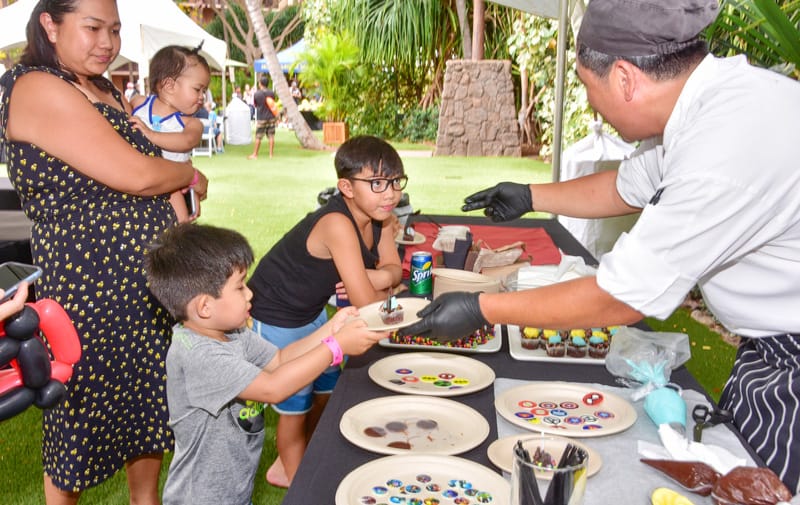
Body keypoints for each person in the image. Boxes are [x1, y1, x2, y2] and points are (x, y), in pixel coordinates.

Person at [401, 0, 800, 494]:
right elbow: (624, 188)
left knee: (767, 491)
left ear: (626, 78)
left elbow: (618, 297)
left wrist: (484, 308)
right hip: (769, 350)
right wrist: (530, 197)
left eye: (589, 89)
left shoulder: (723, 150)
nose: (591, 106)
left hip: (792, 360)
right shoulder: (710, 105)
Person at [0, 1, 209, 503]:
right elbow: (138, 173)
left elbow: (144, 159)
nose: (107, 43)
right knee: (77, 421)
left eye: (114, 30)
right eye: (92, 28)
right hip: (91, 290)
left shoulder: (101, 86)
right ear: (50, 23)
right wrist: (188, 174)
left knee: (146, 410)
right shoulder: (36, 85)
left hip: (143, 285)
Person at [143, 223, 385, 505]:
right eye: (239, 287)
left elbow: (280, 359)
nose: (250, 294)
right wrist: (336, 347)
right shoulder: (199, 355)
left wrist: (331, 329)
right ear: (205, 307)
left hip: (234, 491)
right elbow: (273, 388)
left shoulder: (232, 334)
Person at [247, 135, 406, 486]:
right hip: (277, 315)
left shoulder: (379, 218)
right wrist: (390, 292)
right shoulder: (337, 224)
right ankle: (293, 477)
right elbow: (368, 303)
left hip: (314, 313)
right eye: (377, 183)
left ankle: (301, 458)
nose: (390, 193)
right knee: (294, 402)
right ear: (346, 187)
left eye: (396, 181)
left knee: (326, 391)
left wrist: (376, 275)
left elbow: (394, 271)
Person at [130, 44, 210, 222]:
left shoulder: (191, 124)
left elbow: (187, 141)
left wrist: (151, 135)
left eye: (204, 90)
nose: (202, 96)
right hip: (135, 181)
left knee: (181, 228)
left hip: (172, 185)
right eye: (198, 89)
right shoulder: (138, 104)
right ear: (169, 85)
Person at [247, 76, 279, 160]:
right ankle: (271, 154)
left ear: (260, 83)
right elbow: (272, 103)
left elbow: (255, 105)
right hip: (271, 117)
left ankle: (255, 154)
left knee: (258, 136)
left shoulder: (257, 94)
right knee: (271, 136)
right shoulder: (271, 93)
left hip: (262, 118)